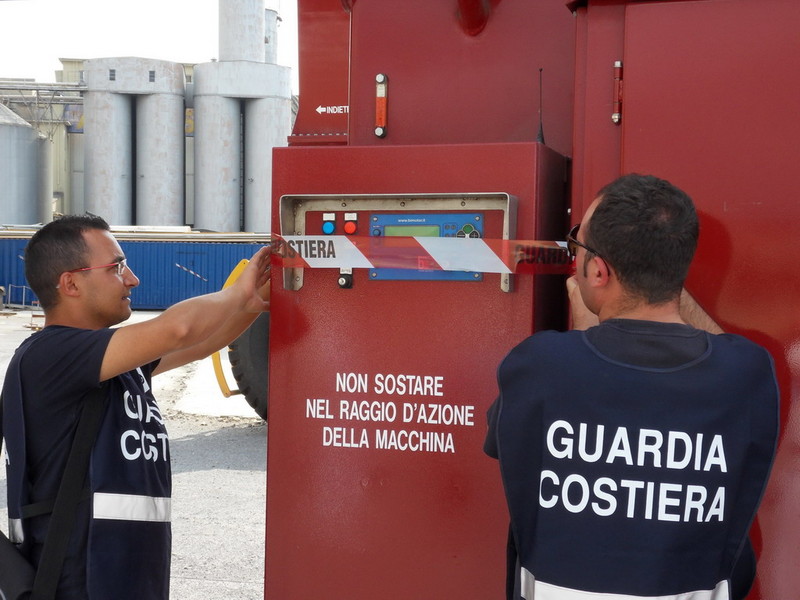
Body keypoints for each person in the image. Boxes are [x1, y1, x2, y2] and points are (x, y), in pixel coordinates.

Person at [484, 174, 779, 600]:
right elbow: (716, 356)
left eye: (577, 244)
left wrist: (587, 334)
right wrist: (661, 276)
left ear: (597, 270)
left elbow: (504, 442)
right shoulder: (746, 372)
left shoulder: (539, 364)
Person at [1, 215, 271, 599]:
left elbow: (200, 343)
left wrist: (255, 302)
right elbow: (177, 330)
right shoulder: (50, 355)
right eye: (117, 267)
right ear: (71, 283)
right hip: (80, 581)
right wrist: (237, 294)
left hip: (130, 577)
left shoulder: (112, 362)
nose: (132, 279)